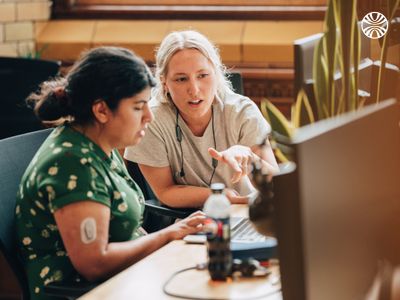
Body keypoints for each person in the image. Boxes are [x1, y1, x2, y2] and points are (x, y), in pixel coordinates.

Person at [15, 46, 205, 300]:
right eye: (138, 107)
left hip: (128, 279)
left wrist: (175, 238)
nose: (149, 116)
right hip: (89, 292)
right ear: (101, 110)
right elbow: (94, 264)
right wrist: (169, 234)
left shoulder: (101, 144)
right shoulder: (73, 165)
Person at [124, 30, 279, 208]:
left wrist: (250, 157)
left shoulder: (242, 111)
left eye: (202, 76)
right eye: (181, 79)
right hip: (187, 219)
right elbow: (165, 191)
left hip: (245, 211)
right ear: (164, 82)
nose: (194, 90)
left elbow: (276, 184)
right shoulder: (151, 119)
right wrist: (220, 195)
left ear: (216, 73)